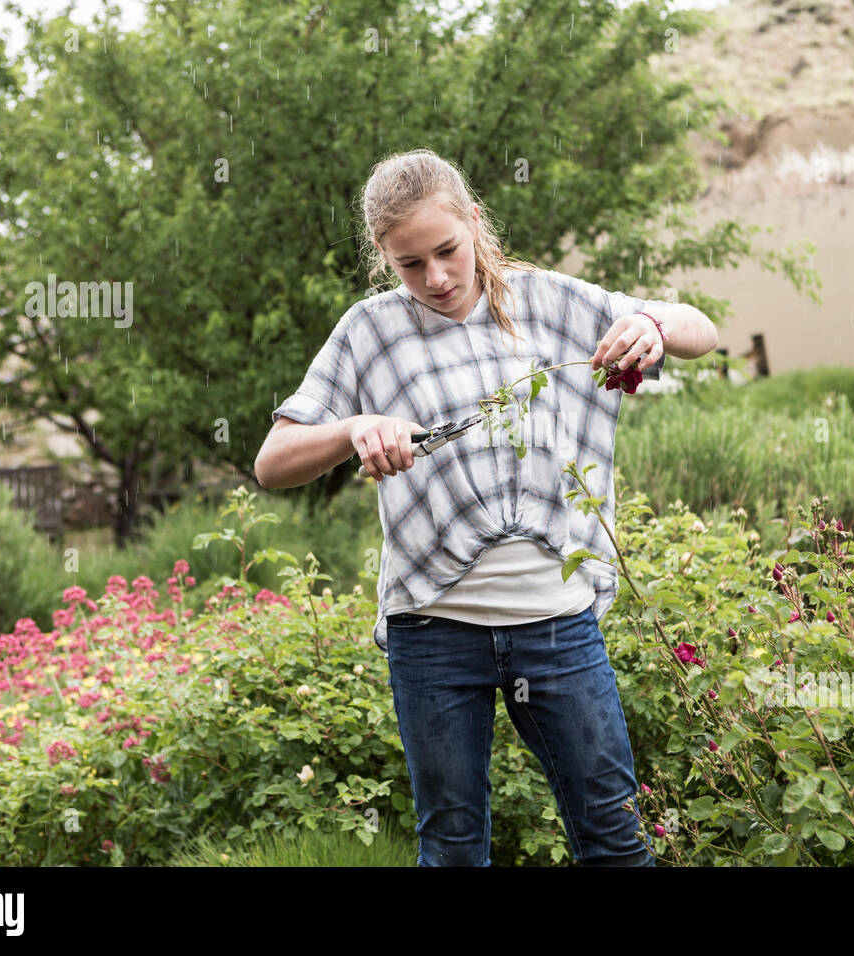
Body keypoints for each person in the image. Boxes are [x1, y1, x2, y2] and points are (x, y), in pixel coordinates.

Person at [254, 148, 717, 866]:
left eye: (447, 250)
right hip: (433, 633)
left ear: (475, 222)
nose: (435, 277)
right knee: (453, 849)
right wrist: (352, 430)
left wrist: (654, 325)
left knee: (615, 835)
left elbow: (702, 330)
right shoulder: (371, 331)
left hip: (556, 625)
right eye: (410, 264)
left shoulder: (549, 303)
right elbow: (272, 463)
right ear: (384, 258)